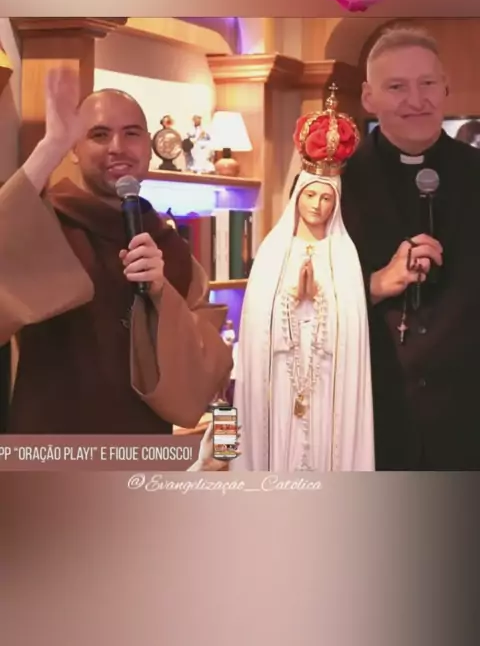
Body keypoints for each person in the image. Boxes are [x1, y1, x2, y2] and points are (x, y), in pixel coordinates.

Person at [0, 69, 232, 435]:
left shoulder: (168, 245)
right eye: (99, 134)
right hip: (50, 444)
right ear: (74, 150)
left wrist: (162, 296)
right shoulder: (47, 224)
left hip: (141, 449)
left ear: (149, 148)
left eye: (132, 133)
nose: (117, 147)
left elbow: (203, 374)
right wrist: (50, 146)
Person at [340, 24, 480, 470]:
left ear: (445, 88)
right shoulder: (333, 184)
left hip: (467, 421)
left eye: (427, 84)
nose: (416, 100)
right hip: (370, 417)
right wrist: (375, 284)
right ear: (368, 97)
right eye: (397, 87)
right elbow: (296, 298)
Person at [233, 87, 375, 471]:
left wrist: (320, 299)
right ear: (297, 195)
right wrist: (294, 298)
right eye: (311, 195)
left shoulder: (344, 255)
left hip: (328, 382)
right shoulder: (272, 252)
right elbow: (257, 327)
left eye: (327, 198)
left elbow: (350, 332)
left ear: (337, 202)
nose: (317, 205)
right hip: (280, 380)